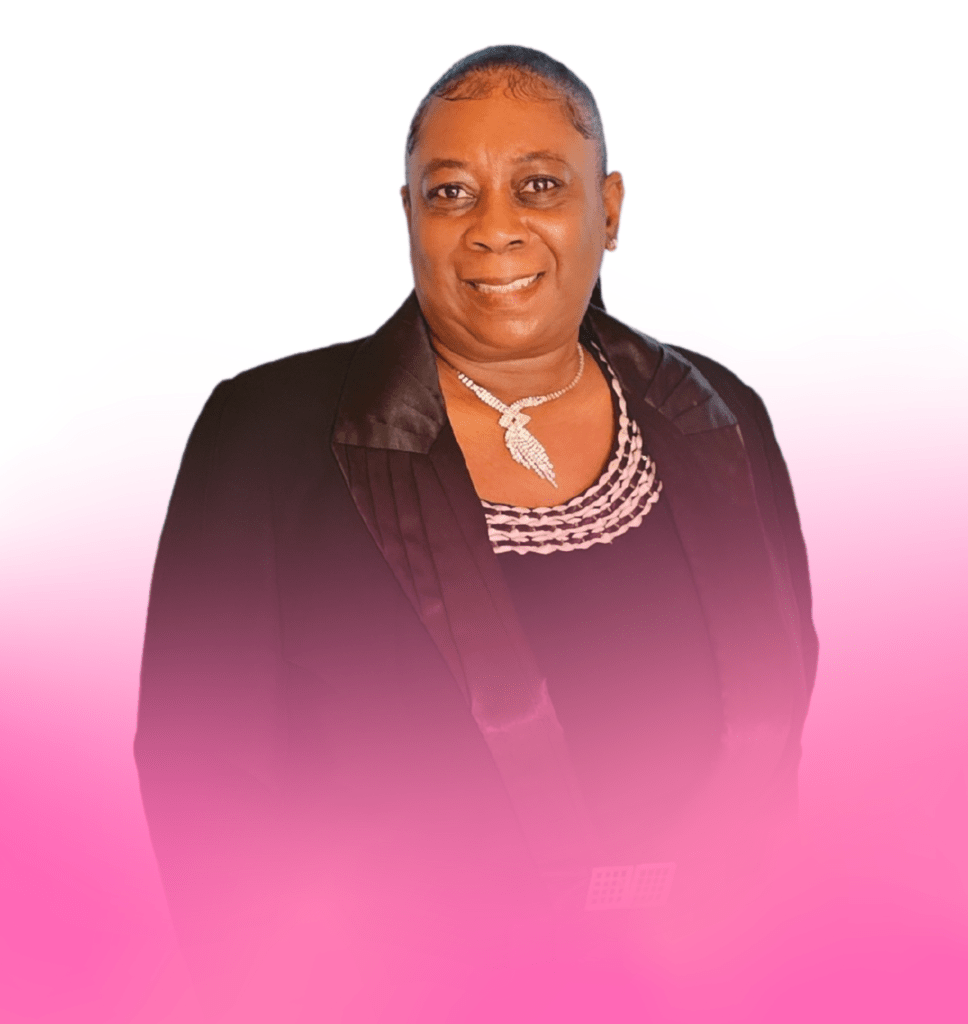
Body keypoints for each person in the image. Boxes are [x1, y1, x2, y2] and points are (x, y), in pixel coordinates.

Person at [135, 45, 817, 1022]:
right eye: (450, 192)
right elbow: (205, 784)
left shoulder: (719, 418)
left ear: (609, 209)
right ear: (408, 215)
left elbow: (778, 757)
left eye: (539, 185)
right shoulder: (267, 436)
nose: (494, 227)